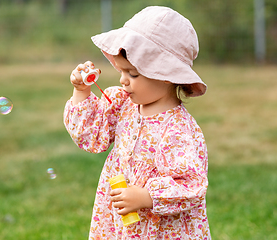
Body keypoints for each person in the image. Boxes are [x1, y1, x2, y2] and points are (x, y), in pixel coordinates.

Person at [64, 6, 211, 239]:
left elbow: (190, 185)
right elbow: (91, 136)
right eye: (122, 71)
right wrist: (81, 91)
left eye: (132, 74)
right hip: (120, 224)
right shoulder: (123, 104)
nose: (123, 80)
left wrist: (147, 197)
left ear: (165, 74)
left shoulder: (178, 129)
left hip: (160, 230)